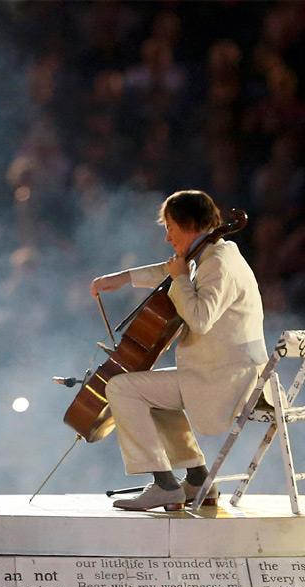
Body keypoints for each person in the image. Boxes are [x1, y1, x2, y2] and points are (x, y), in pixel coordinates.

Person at [89, 190, 268, 511]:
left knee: (121, 388)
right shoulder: (214, 255)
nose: (167, 237)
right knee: (147, 392)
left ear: (190, 224)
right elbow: (172, 270)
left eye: (170, 227)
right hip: (220, 372)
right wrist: (123, 278)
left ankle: (164, 485)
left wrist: (181, 279)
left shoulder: (218, 264)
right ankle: (197, 479)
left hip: (223, 379)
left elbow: (199, 318)